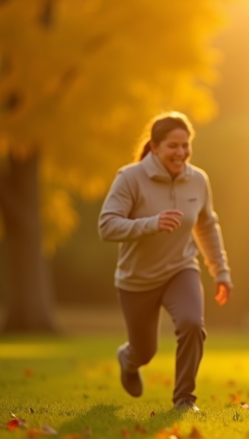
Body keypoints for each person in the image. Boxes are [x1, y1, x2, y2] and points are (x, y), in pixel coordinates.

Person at [98, 112, 232, 412]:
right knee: (145, 351)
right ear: (155, 147)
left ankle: (184, 399)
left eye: (186, 145)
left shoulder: (198, 180)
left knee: (192, 324)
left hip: (179, 269)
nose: (181, 153)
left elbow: (206, 226)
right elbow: (107, 226)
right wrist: (151, 223)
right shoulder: (130, 178)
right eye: (173, 145)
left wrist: (220, 271)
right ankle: (128, 359)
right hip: (137, 279)